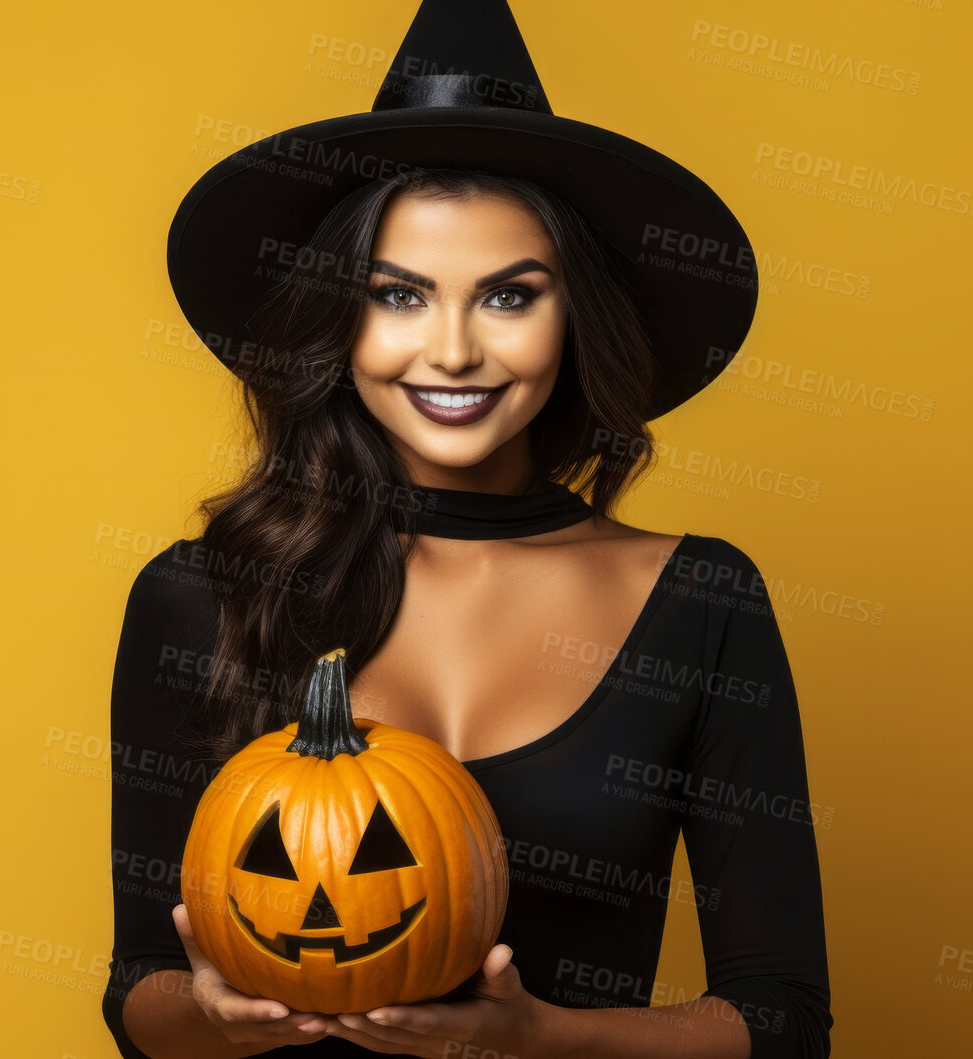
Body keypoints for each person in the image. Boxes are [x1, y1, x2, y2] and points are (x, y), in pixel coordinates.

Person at [104, 3, 831, 1057]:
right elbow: (139, 999)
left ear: (573, 316)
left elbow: (780, 1019)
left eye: (507, 297)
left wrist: (537, 1038)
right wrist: (222, 1022)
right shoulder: (204, 590)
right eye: (397, 296)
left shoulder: (699, 601)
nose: (449, 352)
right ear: (336, 321)